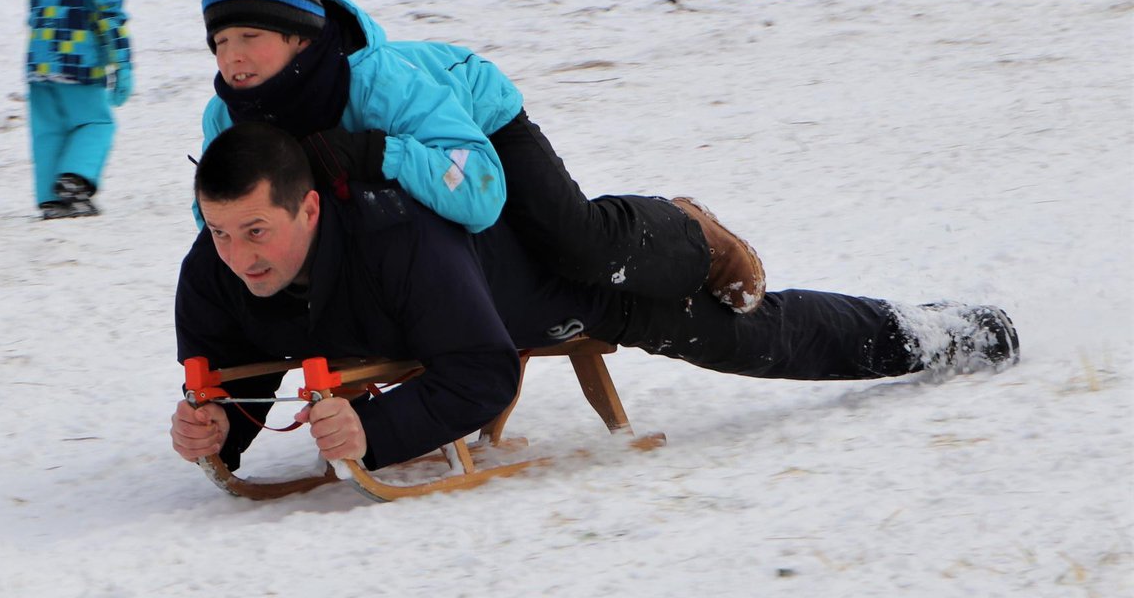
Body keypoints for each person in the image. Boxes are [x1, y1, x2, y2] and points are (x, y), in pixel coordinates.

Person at [170, 123, 1019, 473]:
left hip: (575, 287)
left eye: (257, 231)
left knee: (758, 338)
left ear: (309, 207)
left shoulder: (397, 244)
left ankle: (950, 334)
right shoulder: (211, 271)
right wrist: (221, 430)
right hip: (487, 285)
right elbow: (241, 370)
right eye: (219, 231)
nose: (238, 255)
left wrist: (378, 432)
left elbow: (485, 374)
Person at [196, 0, 765, 313]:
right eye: (221, 41)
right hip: (417, 146)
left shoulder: (381, 85)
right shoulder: (226, 114)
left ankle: (691, 229)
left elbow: (477, 192)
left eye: (252, 37)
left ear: (300, 37)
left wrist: (385, 154)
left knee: (576, 246)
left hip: (478, 121)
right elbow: (216, 211)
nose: (233, 58)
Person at [26, 0, 134, 219]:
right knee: (97, 124)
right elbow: (109, 17)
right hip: (80, 63)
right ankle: (74, 182)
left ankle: (50, 197)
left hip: (39, 65)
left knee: (49, 130)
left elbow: (35, 7)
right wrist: (122, 64)